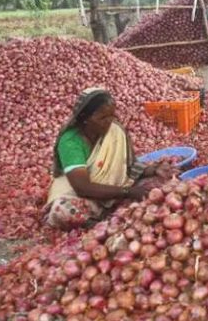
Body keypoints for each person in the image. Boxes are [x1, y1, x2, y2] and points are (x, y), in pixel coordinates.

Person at [44, 88, 160, 229]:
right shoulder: (70, 142)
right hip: (81, 196)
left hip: (114, 192)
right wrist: (127, 192)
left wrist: (154, 170)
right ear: (85, 118)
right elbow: (82, 188)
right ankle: (99, 225)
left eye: (111, 115)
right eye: (102, 118)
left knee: (157, 184)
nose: (109, 121)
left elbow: (128, 167)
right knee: (62, 209)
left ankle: (111, 216)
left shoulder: (114, 131)